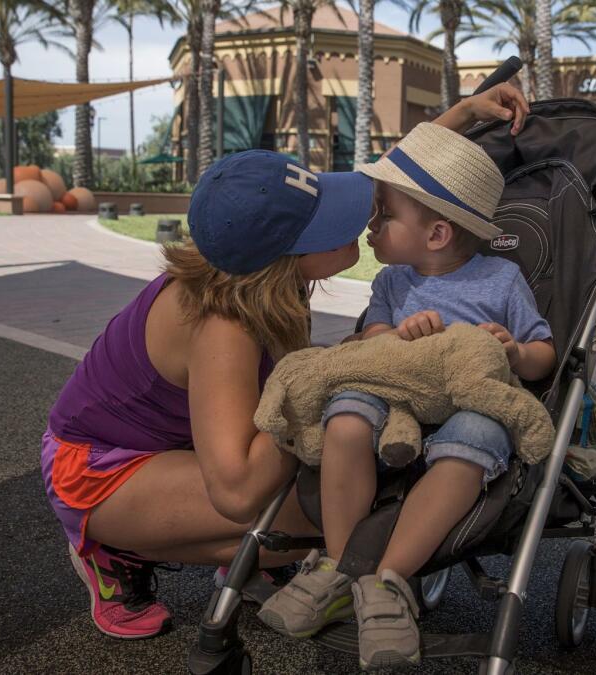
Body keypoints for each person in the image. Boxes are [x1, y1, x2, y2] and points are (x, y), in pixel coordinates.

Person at [40, 83, 529, 641]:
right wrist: (327, 377)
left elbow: (392, 184)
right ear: (287, 257)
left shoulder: (254, 267)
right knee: (336, 511)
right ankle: (116, 548)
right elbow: (239, 491)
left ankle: (253, 557)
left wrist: (465, 114)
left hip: (184, 443)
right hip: (102, 469)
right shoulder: (224, 321)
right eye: (333, 221)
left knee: (345, 483)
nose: (365, 216)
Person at [257, 122, 555, 669]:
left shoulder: (502, 281)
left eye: (384, 216)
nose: (370, 227)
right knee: (345, 418)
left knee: (469, 447)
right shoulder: (392, 285)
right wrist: (394, 333)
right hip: (394, 393)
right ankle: (344, 570)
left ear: (437, 234)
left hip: (469, 399)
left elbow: (544, 352)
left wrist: (513, 353)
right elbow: (372, 341)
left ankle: (388, 582)